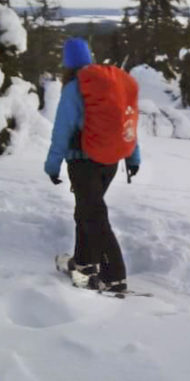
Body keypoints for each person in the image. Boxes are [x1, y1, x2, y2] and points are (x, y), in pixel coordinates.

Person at [45, 38, 141, 293]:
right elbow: (127, 121)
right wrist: (133, 157)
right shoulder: (110, 86)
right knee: (86, 212)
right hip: (110, 161)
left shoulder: (74, 88)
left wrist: (52, 165)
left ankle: (114, 277)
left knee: (95, 217)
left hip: (82, 161)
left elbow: (61, 131)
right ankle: (85, 263)